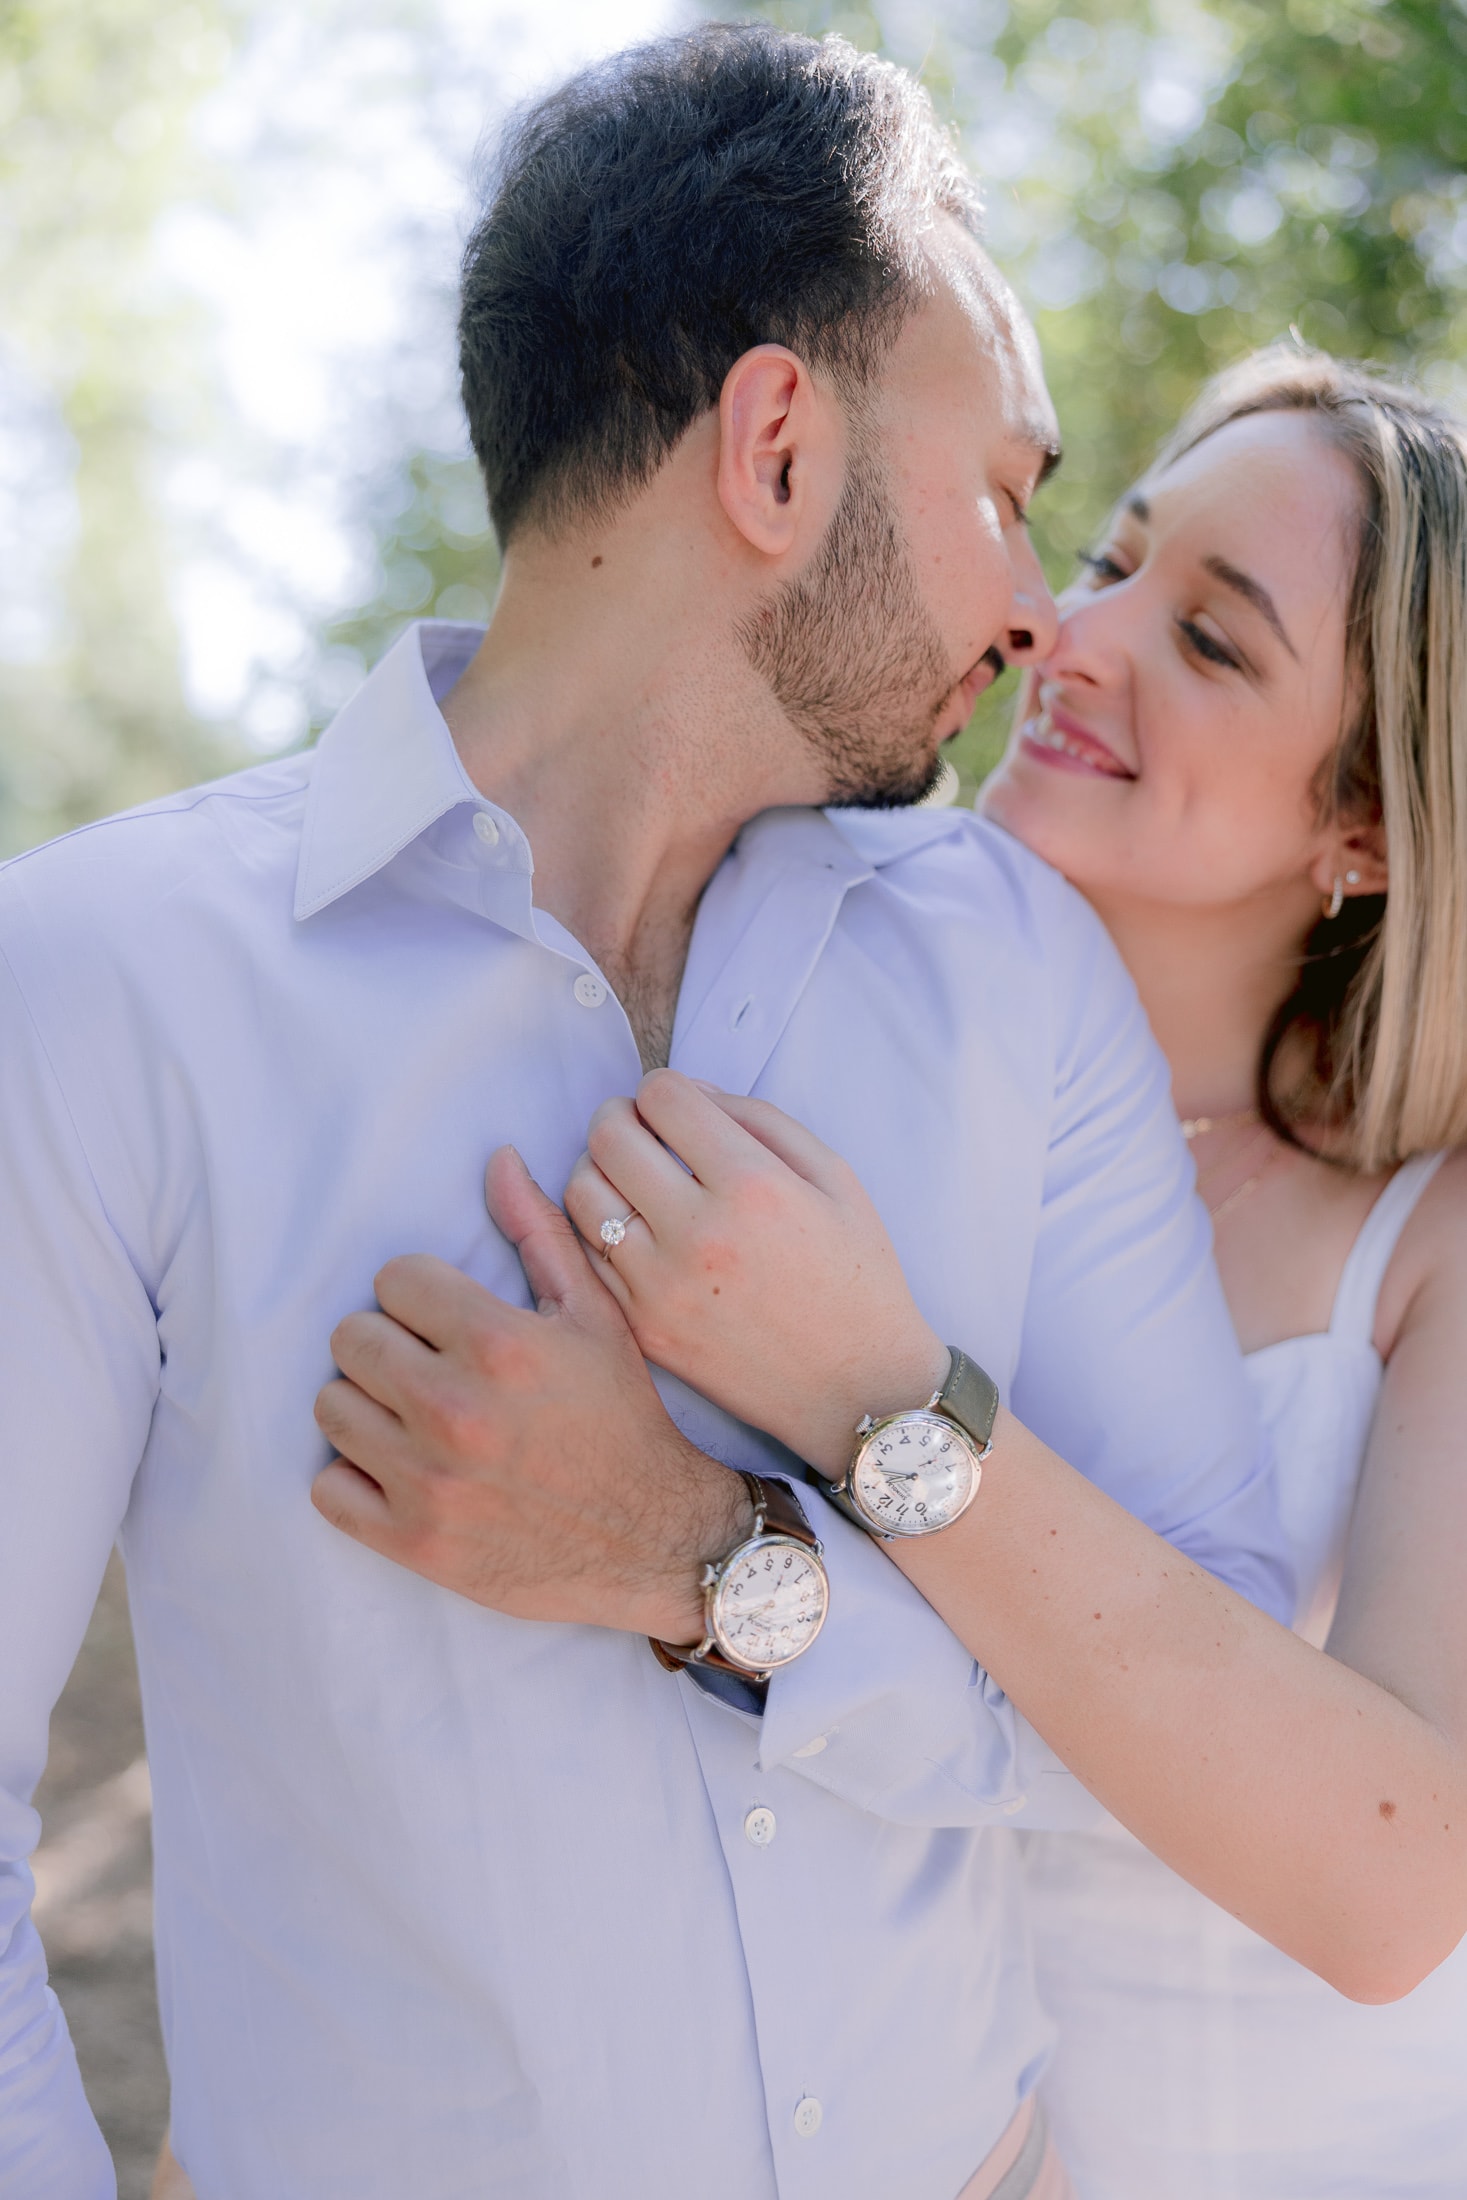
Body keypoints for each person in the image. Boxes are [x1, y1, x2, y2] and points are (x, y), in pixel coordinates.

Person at [0, 28, 1291, 2200]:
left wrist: (718, 1567)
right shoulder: (101, 981)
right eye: (1008, 493)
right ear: (777, 447)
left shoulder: (1010, 969)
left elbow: (1189, 1701)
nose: (1032, 611)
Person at [569, 345, 1467, 2196]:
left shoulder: (1432, 1236)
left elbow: (1396, 1885)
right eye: (1113, 557)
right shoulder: (799, 1050)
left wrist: (878, 1388)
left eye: (1214, 642)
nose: (1077, 631)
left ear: (1366, 826)